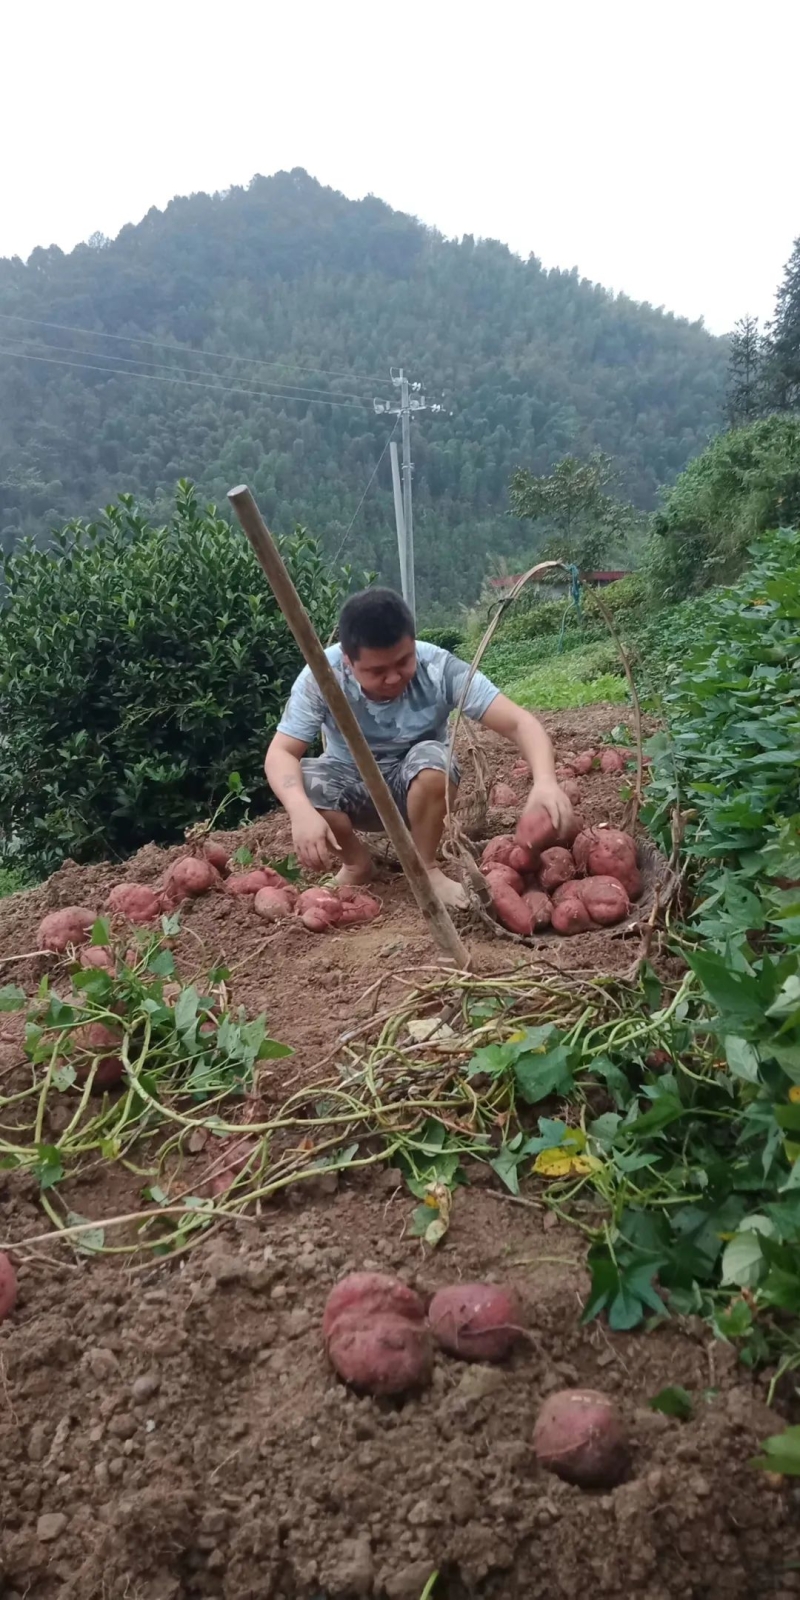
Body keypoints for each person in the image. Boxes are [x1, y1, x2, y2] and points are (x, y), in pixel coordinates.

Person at [265, 588, 574, 909]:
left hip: (421, 793)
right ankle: (357, 864)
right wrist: (299, 810)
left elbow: (519, 723)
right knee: (301, 779)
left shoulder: (439, 668)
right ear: (348, 661)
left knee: (434, 757)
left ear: (413, 643)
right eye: (376, 671)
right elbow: (281, 753)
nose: (393, 677)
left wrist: (545, 781)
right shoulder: (322, 676)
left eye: (403, 661)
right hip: (353, 792)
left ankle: (426, 867)